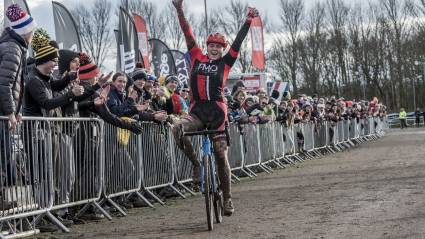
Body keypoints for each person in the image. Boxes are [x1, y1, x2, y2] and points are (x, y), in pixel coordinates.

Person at [171, 0, 259, 216]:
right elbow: (187, 32)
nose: (214, 48)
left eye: (218, 46)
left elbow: (238, 42)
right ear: (207, 45)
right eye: (211, 45)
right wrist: (180, 10)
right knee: (176, 129)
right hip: (197, 112)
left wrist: (248, 21)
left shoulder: (226, 63)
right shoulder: (196, 56)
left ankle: (227, 198)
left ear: (222, 49)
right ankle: (196, 166)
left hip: (218, 114)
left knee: (221, 155)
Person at [0, 3, 37, 209]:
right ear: (25, 31)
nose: (32, 35)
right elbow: (5, 84)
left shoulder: (14, 47)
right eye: (31, 31)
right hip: (2, 114)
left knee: (5, 157)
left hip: (6, 113)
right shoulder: (13, 49)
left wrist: (17, 111)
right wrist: (10, 112)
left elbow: (16, 85)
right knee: (3, 156)